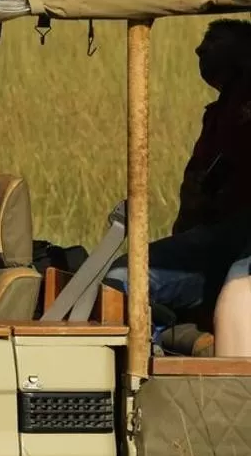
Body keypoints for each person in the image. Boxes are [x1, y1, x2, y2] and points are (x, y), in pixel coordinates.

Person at [103, 18, 251, 350]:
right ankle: (179, 343)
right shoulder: (219, 112)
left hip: (235, 244)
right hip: (218, 239)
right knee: (121, 280)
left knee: (236, 294)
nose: (200, 50)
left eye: (215, 41)